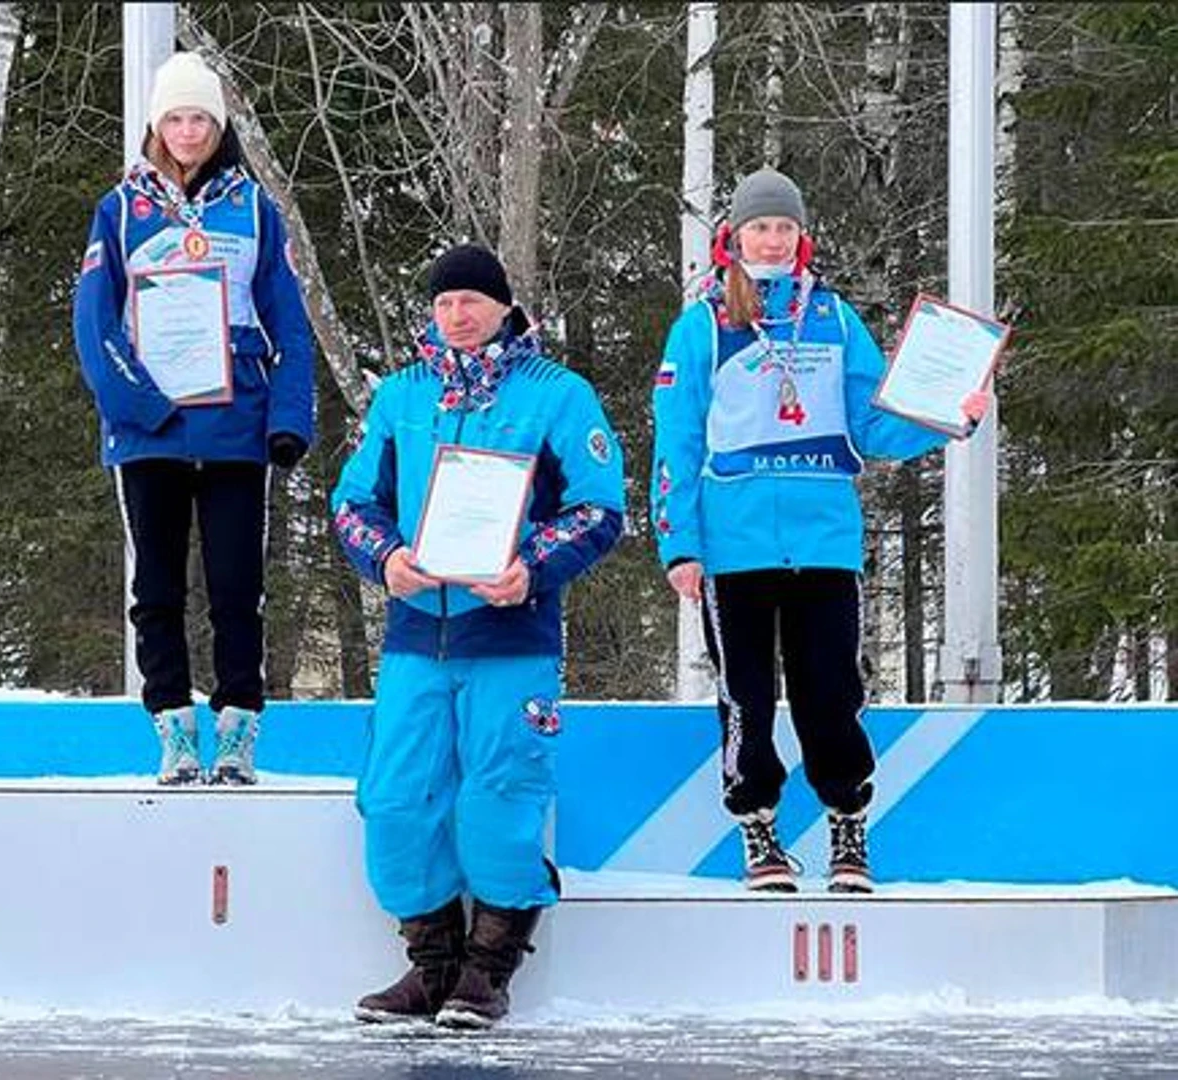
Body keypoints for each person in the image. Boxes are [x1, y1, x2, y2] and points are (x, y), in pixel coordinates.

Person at [650, 168, 991, 895]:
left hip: (825, 538)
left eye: (783, 227)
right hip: (733, 543)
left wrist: (952, 416)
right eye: (758, 227)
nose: (771, 239)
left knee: (831, 690)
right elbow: (675, 440)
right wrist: (678, 543)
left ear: (800, 237)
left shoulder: (834, 319)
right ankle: (758, 825)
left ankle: (846, 820)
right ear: (734, 237)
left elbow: (873, 424)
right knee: (747, 693)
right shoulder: (703, 323)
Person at [332, 244, 624, 1029]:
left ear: (504, 306)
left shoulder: (557, 395)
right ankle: (430, 968)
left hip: (511, 637)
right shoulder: (401, 397)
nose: (456, 316)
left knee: (500, 796)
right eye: (442, 303)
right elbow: (353, 502)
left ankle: (487, 974)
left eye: (470, 301)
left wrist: (531, 566)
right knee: (394, 799)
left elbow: (599, 507)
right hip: (415, 637)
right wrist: (384, 557)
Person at [71, 52, 315, 787]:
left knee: (239, 585)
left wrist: (288, 418)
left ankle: (238, 728)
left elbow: (289, 322)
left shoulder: (256, 209)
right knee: (157, 589)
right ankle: (174, 727)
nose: (187, 131)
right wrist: (137, 404)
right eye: (174, 117)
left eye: (200, 118)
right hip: (152, 427)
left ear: (219, 125)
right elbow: (93, 322)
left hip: (235, 422)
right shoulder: (119, 210)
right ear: (156, 124)